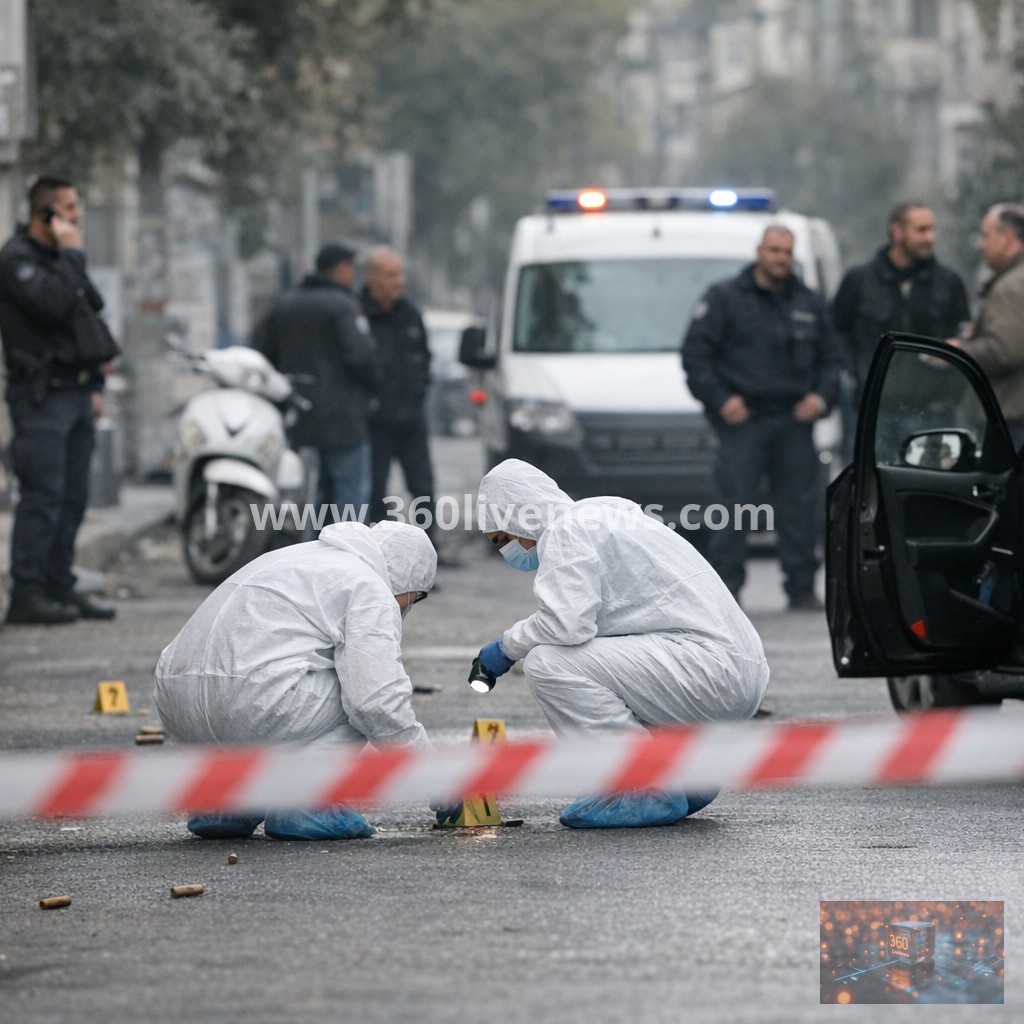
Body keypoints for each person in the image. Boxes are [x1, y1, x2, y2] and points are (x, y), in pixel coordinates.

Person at [472, 458, 768, 829]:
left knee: (549, 663)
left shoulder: (568, 531)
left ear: (520, 518)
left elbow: (565, 624)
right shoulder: (611, 519)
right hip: (734, 671)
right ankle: (688, 776)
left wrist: (505, 648)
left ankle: (641, 784)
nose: (507, 552)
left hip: (706, 670)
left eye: (502, 539)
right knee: (601, 665)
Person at [154, 520, 436, 840]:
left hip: (176, 701)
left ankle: (227, 801)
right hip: (249, 703)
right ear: (408, 579)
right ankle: (304, 802)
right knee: (361, 688)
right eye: (416, 597)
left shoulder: (297, 557)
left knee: (305, 674)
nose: (408, 606)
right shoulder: (371, 587)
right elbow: (377, 702)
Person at [682, 225, 841, 610]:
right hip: (743, 421)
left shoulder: (809, 302)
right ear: (759, 252)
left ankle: (801, 588)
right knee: (734, 506)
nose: (781, 258)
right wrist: (722, 401)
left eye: (787, 252)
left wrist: (820, 399)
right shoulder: (725, 298)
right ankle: (725, 591)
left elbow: (833, 361)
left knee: (799, 507)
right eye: (774, 250)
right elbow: (696, 356)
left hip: (793, 420)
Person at [0, 175, 120, 625]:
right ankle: (27, 594)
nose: (78, 216)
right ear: (45, 214)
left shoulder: (60, 260)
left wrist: (93, 390)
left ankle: (59, 587)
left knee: (73, 497)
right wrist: (71, 253)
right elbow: (49, 306)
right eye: (70, 208)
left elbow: (89, 306)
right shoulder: (17, 260)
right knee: (43, 496)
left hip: (75, 391)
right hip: (40, 398)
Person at [252, 243, 381, 522]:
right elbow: (362, 357)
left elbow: (261, 352)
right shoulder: (344, 305)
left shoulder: (285, 304)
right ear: (342, 269)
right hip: (343, 420)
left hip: (299, 418)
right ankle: (351, 559)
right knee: (350, 500)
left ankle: (312, 554)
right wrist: (374, 390)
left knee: (313, 498)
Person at [360, 246, 457, 565]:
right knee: (376, 490)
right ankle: (380, 555)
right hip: (375, 422)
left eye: (400, 274)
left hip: (411, 419)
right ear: (372, 278)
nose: (399, 281)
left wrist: (419, 391)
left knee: (423, 488)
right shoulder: (357, 314)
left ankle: (430, 553)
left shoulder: (409, 313)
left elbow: (424, 359)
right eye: (391, 275)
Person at [832, 202, 970, 408]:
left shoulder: (948, 282)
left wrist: (954, 349)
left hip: (933, 409)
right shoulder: (859, 280)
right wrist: (856, 375)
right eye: (921, 230)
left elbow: (964, 333)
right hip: (873, 406)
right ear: (896, 232)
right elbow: (836, 331)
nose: (930, 238)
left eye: (932, 229)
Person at [950, 203, 1024, 450]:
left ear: (1008, 238)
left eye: (986, 235)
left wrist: (959, 351)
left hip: (1012, 420)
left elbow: (1004, 350)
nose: (981, 244)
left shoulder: (1012, 285)